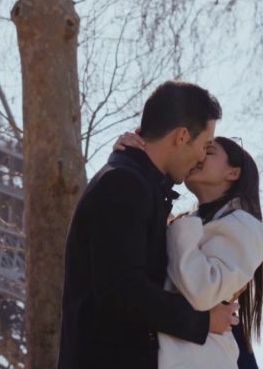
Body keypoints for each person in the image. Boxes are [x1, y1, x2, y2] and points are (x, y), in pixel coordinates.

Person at [57, 81, 239, 369]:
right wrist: (202, 321)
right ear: (181, 136)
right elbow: (121, 290)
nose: (201, 158)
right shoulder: (124, 184)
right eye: (204, 146)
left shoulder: (135, 184)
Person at [113, 132, 263, 369]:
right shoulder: (188, 225)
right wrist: (127, 158)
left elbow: (201, 291)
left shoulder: (244, 226)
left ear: (233, 172)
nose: (199, 156)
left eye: (209, 151)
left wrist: (179, 228)